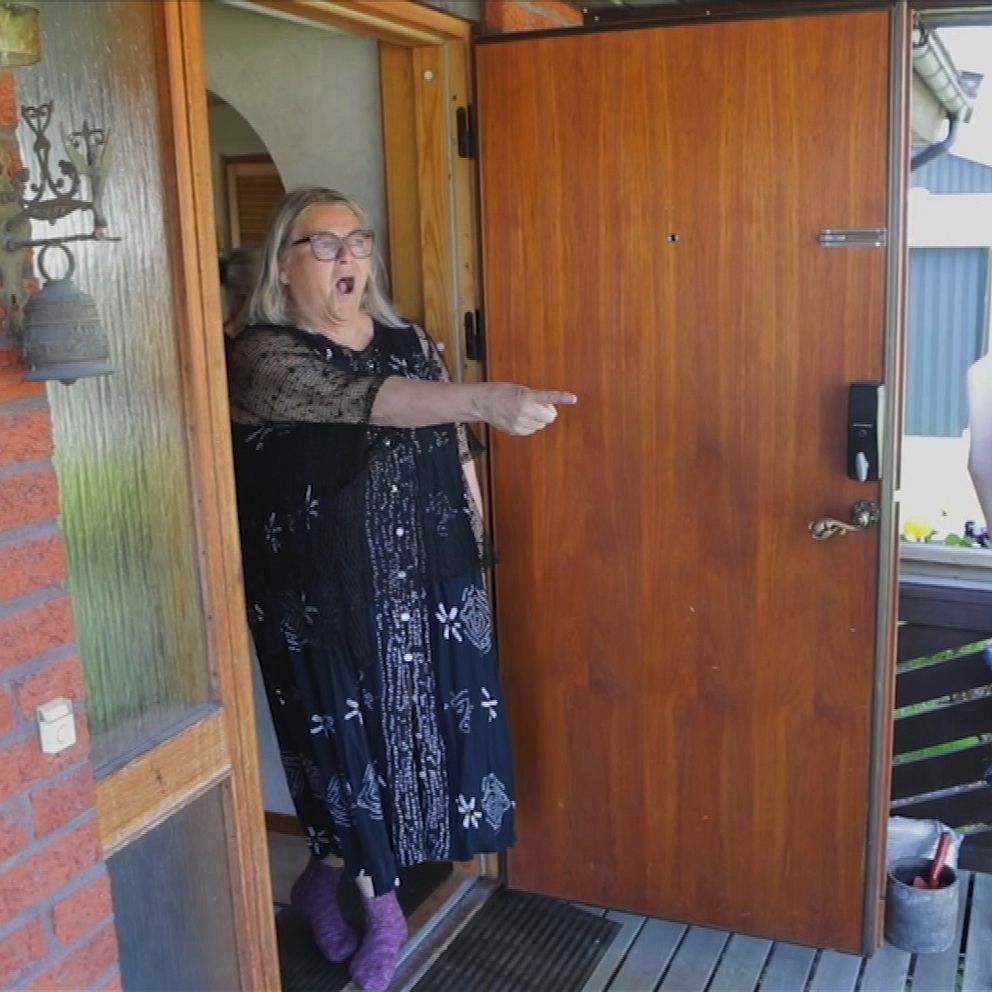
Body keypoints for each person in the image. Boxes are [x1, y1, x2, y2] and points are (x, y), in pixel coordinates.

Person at [226, 187, 576, 991]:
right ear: (283, 264)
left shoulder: (409, 340)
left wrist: (473, 551)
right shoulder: (265, 355)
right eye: (324, 244)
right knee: (343, 755)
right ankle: (381, 910)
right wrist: (487, 396)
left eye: (358, 241)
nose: (348, 257)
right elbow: (372, 405)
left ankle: (322, 882)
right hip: (316, 601)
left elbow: (451, 448)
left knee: (421, 748)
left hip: (422, 584)